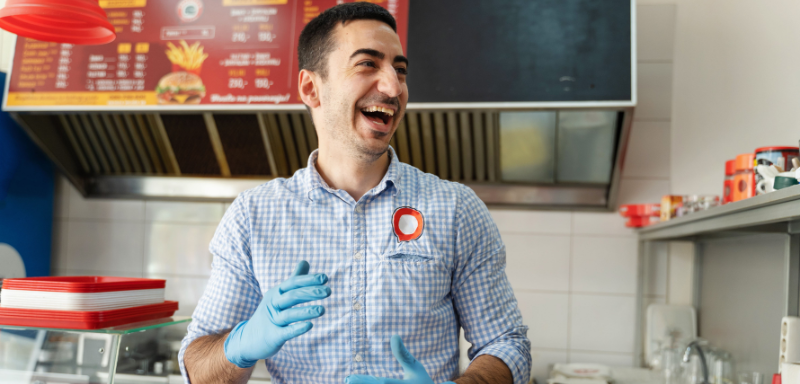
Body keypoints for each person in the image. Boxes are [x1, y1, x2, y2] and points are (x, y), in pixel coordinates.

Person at [180, 3, 531, 383]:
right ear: (311, 88)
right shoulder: (253, 217)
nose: (394, 87)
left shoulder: (456, 209)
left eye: (400, 70)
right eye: (368, 64)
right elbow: (198, 368)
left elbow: (506, 343)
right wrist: (240, 344)